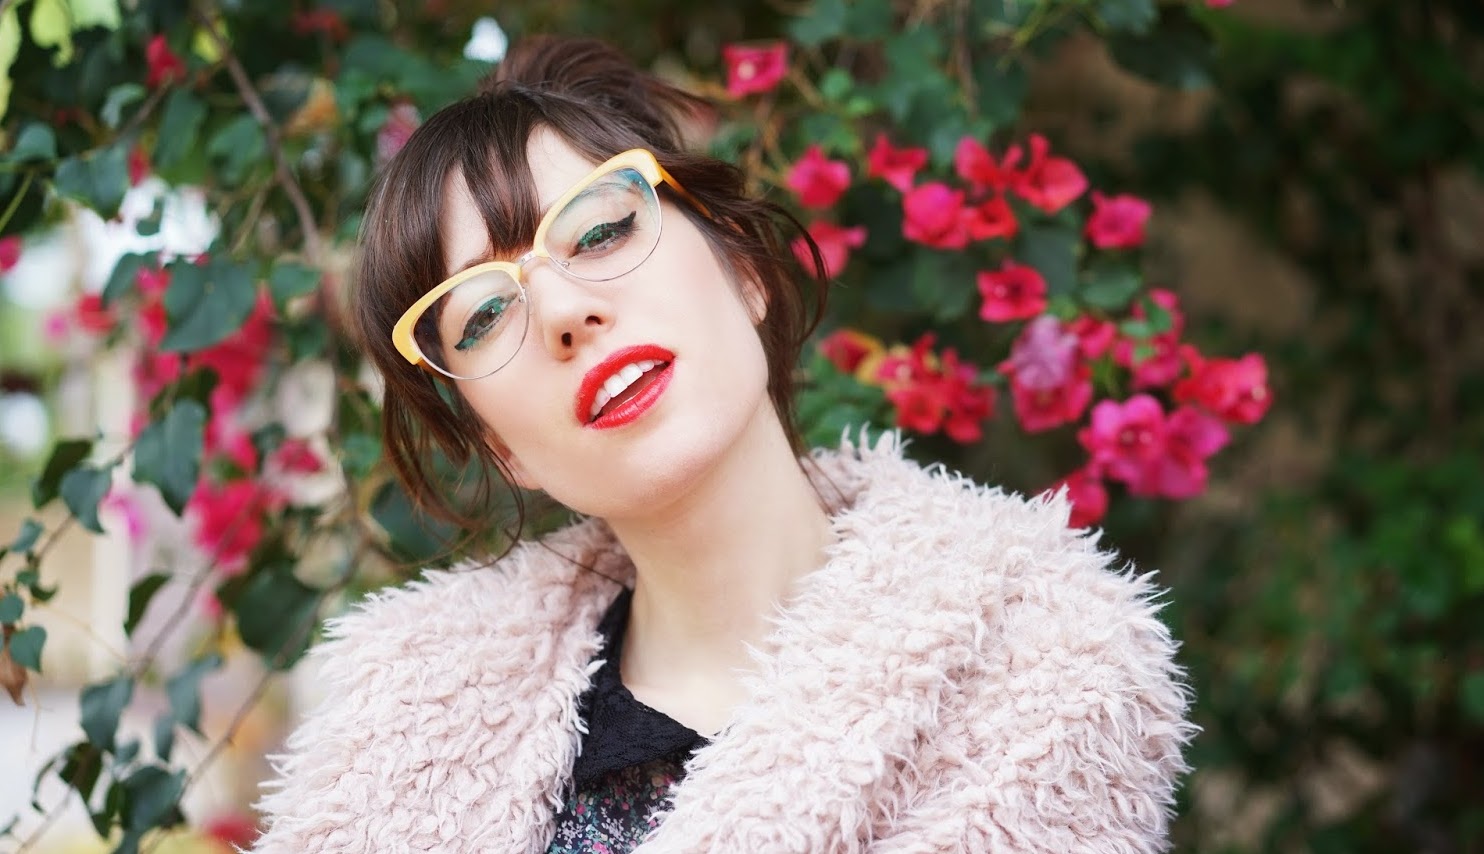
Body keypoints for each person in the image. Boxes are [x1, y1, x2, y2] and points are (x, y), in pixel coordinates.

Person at [251, 35, 1193, 854]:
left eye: (601, 230)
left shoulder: (1043, 672)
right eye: (486, 313)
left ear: (745, 271)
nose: (567, 311)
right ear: (505, 453)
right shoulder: (400, 742)